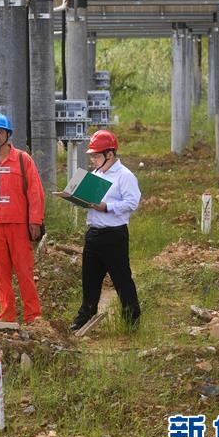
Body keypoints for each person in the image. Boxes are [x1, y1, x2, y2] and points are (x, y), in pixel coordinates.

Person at [69, 129, 142, 332]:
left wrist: (107, 207)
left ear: (110, 154)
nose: (93, 159)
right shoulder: (95, 174)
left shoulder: (125, 176)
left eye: (96, 155)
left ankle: (131, 320)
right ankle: (85, 316)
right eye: (92, 156)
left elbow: (132, 202)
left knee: (121, 279)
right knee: (89, 279)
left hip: (114, 235)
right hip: (94, 233)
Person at [0, 113, 45, 324]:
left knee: (24, 272)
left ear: (8, 134)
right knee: (1, 274)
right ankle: (6, 315)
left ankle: (33, 316)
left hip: (19, 225)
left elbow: (35, 192)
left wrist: (35, 221)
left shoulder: (22, 159)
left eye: (0, 132)